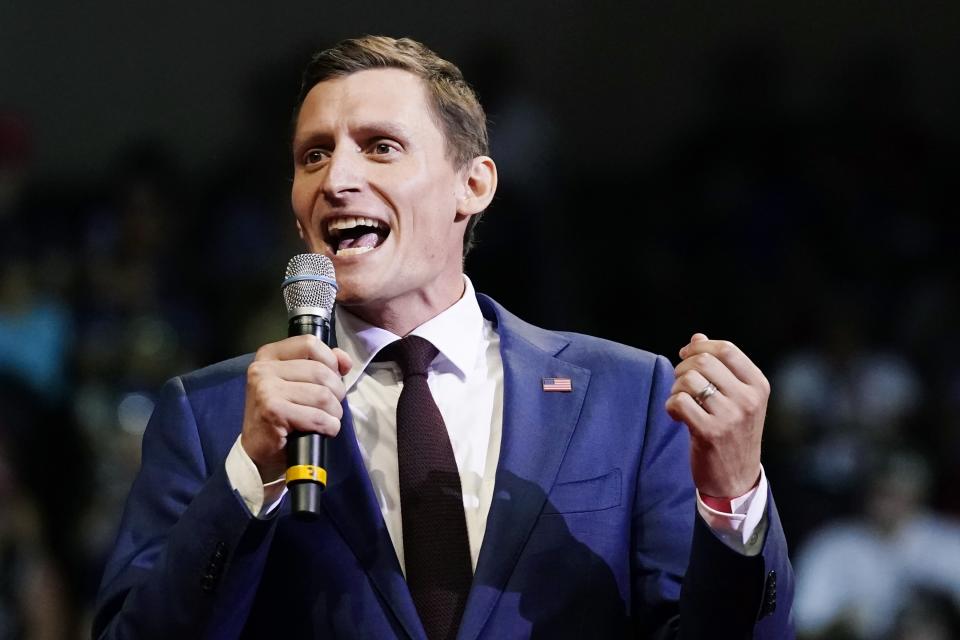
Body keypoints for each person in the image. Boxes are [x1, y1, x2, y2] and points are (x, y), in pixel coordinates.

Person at [93, 36, 793, 639]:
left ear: (474, 185)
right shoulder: (210, 414)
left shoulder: (627, 397)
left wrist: (734, 502)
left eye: (381, 147)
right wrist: (249, 477)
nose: (337, 178)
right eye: (313, 156)